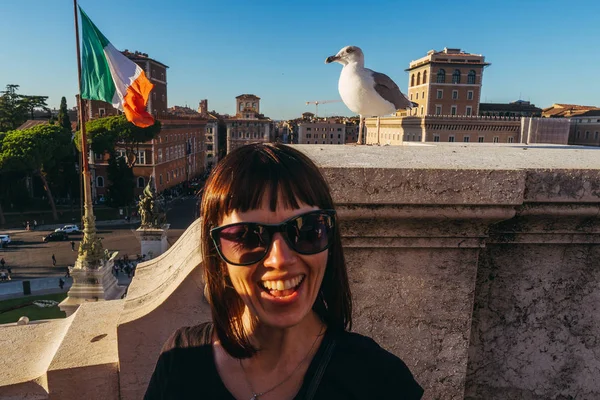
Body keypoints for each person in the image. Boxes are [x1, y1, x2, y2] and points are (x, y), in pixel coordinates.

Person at [144, 143, 423, 399]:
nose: (280, 259)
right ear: (217, 254)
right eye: (247, 236)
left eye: (307, 230)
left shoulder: (380, 380)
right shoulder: (180, 361)